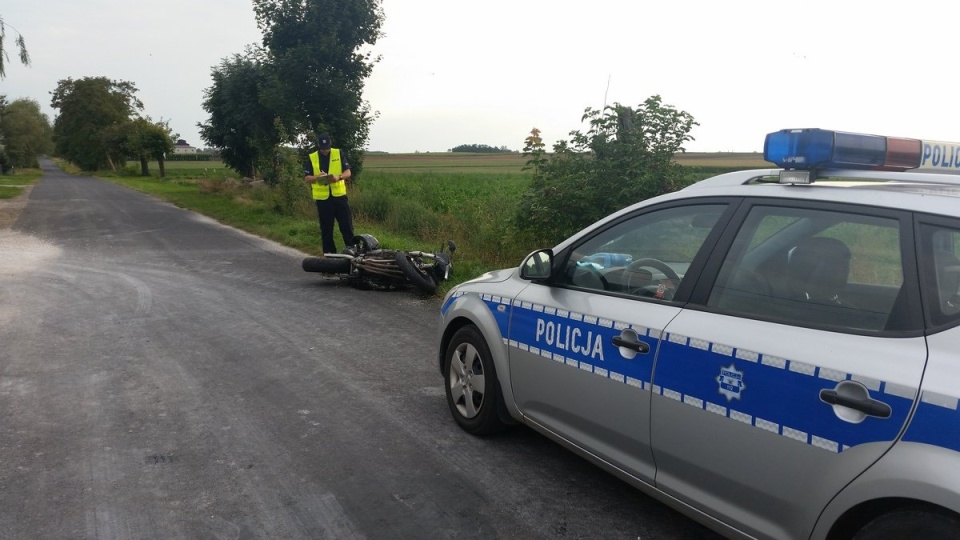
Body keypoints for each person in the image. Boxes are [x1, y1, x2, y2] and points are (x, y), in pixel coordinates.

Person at [303, 133, 355, 254]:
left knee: (346, 225)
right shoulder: (312, 157)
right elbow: (307, 178)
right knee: (326, 228)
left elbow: (348, 172)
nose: (325, 151)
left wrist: (339, 177)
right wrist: (317, 177)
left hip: (339, 196)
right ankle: (329, 254)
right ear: (319, 146)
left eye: (327, 148)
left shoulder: (338, 153)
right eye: (323, 148)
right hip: (323, 199)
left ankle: (352, 250)